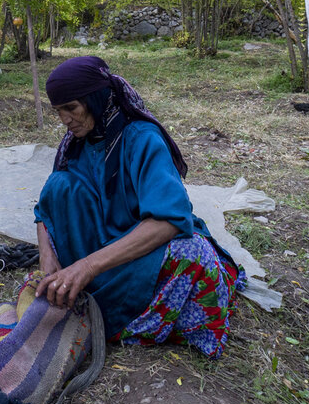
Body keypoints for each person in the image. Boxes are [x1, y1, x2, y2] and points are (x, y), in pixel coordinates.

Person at [33, 56, 245, 358]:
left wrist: (87, 266)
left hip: (140, 251)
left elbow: (168, 221)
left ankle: (111, 313)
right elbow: (45, 207)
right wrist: (47, 255)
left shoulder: (141, 139)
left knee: (192, 255)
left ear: (95, 99)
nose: (65, 119)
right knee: (60, 185)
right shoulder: (78, 142)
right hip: (106, 249)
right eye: (59, 111)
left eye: (71, 108)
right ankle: (95, 295)